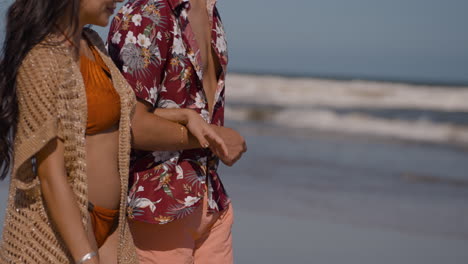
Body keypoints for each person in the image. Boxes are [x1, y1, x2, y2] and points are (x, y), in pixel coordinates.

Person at [0, 0, 227, 263]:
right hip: (60, 231)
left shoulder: (92, 45)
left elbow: (119, 113)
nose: (118, 0)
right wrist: (86, 256)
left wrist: (185, 115)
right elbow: (51, 176)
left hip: (112, 228)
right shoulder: (41, 61)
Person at [107, 0, 247, 263]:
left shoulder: (210, 13)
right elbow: (130, 124)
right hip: (158, 206)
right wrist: (213, 138)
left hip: (211, 201)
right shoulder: (146, 13)